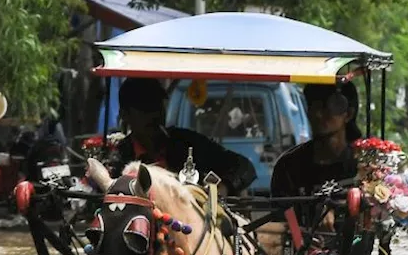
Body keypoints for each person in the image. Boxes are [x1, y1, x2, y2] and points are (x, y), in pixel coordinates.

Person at [112, 77, 257, 195]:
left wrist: (224, 187)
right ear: (125, 115)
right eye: (145, 108)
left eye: (158, 106)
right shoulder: (117, 160)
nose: (155, 115)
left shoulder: (187, 143)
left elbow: (244, 168)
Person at [270, 80, 362, 225]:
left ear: (348, 114)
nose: (318, 114)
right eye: (313, 106)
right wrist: (303, 237)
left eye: (329, 107)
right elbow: (284, 218)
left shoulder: (363, 165)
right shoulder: (289, 166)